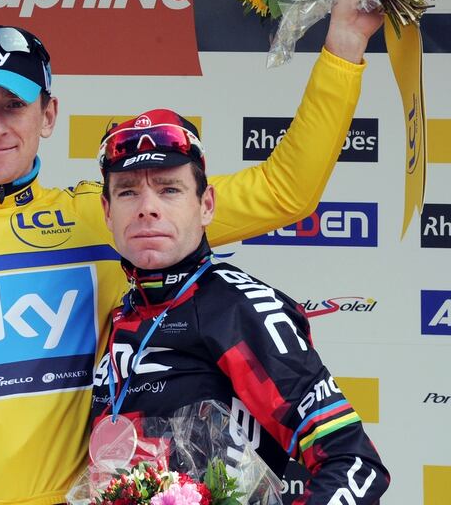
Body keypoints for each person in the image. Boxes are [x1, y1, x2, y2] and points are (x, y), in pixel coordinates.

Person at [0, 0, 386, 505]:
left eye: (15, 104)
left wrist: (345, 44)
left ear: (49, 114)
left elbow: (286, 189)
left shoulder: (113, 211)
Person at [90, 108, 389, 502]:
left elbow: (354, 464)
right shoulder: (115, 313)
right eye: (128, 191)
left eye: (169, 189)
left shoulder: (238, 310)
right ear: (108, 211)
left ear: (207, 205)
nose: (147, 207)